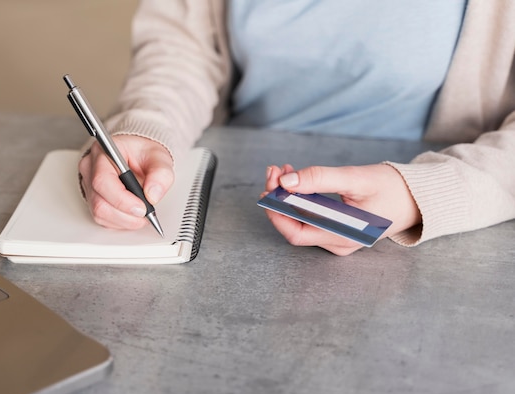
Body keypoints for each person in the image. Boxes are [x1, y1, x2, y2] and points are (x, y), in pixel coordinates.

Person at [78, 1, 515, 256]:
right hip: (236, 198)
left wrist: (420, 194)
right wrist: (148, 125)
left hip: (454, 226)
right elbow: (184, 46)